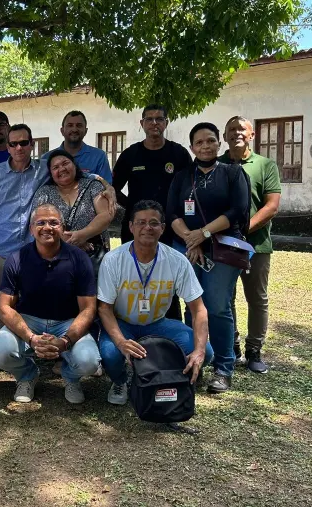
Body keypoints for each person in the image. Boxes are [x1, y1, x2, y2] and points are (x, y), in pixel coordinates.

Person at [0, 124, 118, 288]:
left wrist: (107, 185)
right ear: (8, 147)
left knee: (33, 303)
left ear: (32, 144)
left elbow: (76, 173)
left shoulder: (45, 168)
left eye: (23, 142)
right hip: (2, 252)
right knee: (5, 303)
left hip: (35, 253)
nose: (19, 148)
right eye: (13, 144)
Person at [97, 200, 213, 405]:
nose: (147, 228)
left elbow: (199, 309)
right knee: (110, 353)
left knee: (207, 352)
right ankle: (120, 381)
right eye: (140, 222)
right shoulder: (113, 259)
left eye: (153, 223)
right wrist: (121, 342)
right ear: (131, 227)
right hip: (123, 322)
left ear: (163, 229)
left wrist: (199, 350)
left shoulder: (177, 260)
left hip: (158, 323)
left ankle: (169, 380)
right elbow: (104, 308)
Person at [167, 122, 250, 393]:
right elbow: (172, 213)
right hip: (189, 249)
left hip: (222, 249)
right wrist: (191, 238)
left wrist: (202, 234)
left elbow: (238, 210)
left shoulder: (232, 173)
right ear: (192, 147)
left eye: (210, 141)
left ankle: (224, 367)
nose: (205, 146)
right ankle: (197, 360)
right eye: (199, 142)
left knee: (216, 307)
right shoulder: (182, 177)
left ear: (219, 143)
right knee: (192, 307)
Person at [0, 203, 100, 404]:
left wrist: (66, 341)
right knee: (1, 351)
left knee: (89, 361)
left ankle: (71, 377)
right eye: (40, 223)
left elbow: (88, 309)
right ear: (31, 229)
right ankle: (27, 375)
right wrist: (31, 338)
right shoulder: (17, 258)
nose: (47, 227)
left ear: (62, 227)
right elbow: (4, 307)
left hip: (68, 321)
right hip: (29, 320)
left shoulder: (79, 258)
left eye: (53, 222)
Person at [113, 104, 192, 320]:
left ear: (166, 123)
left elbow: (190, 189)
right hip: (136, 228)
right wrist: (131, 206)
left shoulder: (179, 154)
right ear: (142, 124)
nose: (154, 123)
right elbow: (113, 188)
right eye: (149, 119)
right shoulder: (131, 155)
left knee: (168, 278)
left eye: (159, 119)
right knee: (133, 276)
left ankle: (171, 325)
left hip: (170, 228)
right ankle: (132, 322)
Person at [220, 116, 281, 374]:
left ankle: (254, 350)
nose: (236, 133)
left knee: (257, 298)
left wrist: (243, 230)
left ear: (252, 134)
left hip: (256, 244)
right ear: (224, 136)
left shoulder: (265, 165)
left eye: (241, 129)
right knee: (226, 298)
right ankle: (231, 348)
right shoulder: (216, 164)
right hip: (222, 244)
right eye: (231, 129)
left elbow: (272, 205)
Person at [33, 149, 113, 275]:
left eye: (65, 163)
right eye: (56, 167)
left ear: (74, 165)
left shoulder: (93, 186)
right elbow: (37, 223)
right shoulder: (44, 193)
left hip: (92, 257)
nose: (62, 169)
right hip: (56, 258)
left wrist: (82, 235)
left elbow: (105, 215)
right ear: (51, 173)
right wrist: (69, 240)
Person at [45, 110, 112, 183]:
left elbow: (106, 187)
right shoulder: (46, 158)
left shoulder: (99, 156)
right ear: (62, 131)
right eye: (70, 125)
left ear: (86, 131)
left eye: (79, 125)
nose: (74, 129)